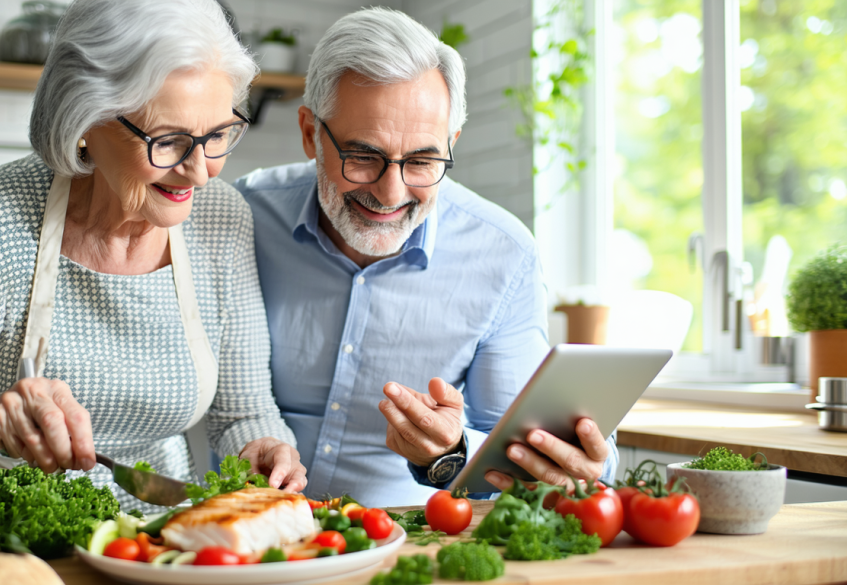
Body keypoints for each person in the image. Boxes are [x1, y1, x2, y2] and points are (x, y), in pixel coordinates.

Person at [0, 0, 305, 517]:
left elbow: (241, 412)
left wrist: (265, 447)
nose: (200, 173)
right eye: (169, 141)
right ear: (85, 117)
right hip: (5, 541)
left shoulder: (220, 216)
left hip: (157, 536)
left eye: (217, 136)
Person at [234, 7, 617, 506]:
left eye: (421, 161)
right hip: (246, 533)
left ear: (451, 143)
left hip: (406, 543)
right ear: (310, 134)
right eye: (363, 156)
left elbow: (525, 446)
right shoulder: (244, 216)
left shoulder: (503, 253)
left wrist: (449, 453)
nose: (391, 192)